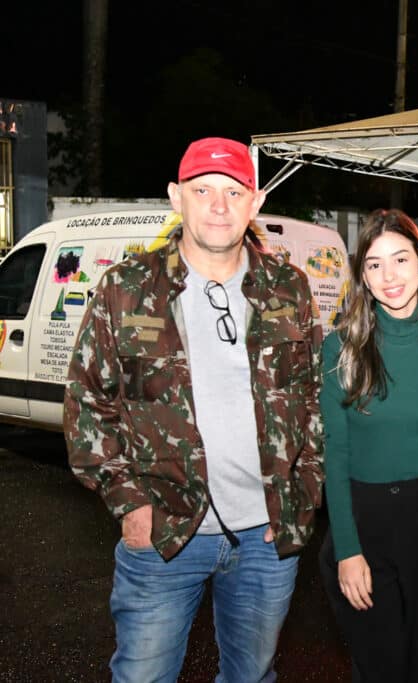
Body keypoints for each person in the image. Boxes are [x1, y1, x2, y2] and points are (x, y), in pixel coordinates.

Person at [64, 137, 325, 682]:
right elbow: (87, 402)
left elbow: (315, 400)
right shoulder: (126, 288)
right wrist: (130, 503)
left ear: (255, 203)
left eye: (234, 192)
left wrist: (302, 496)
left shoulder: (288, 289)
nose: (219, 206)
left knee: (251, 676)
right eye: (202, 190)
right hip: (163, 534)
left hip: (266, 539)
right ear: (175, 196)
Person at [318, 208, 418, 682]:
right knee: (379, 665)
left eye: (401, 259)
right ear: (363, 277)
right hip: (365, 521)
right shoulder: (340, 348)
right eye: (374, 264)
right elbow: (336, 454)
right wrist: (347, 551)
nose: (389, 276)